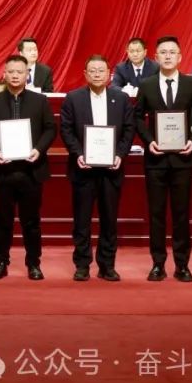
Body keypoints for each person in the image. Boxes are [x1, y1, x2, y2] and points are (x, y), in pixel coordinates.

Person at [0, 55, 57, 280]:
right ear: (4, 74)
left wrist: (39, 149)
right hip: (2, 170)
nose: (15, 76)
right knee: (3, 222)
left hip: (31, 171)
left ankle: (34, 263)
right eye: (11, 71)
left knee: (32, 222)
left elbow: (50, 128)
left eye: (19, 72)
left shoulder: (40, 101)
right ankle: (1, 262)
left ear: (27, 75)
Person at [134, 35, 192, 283]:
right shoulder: (146, 85)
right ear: (155, 57)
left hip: (182, 159)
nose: (167, 56)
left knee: (181, 213)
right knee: (156, 214)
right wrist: (148, 141)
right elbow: (137, 117)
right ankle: (158, 264)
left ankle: (182, 265)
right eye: (163, 52)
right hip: (155, 159)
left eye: (172, 52)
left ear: (180, 57)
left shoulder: (191, 83)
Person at [59, 55, 135, 282]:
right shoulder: (73, 98)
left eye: (101, 70)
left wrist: (120, 154)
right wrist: (78, 154)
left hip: (112, 169)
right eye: (92, 70)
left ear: (109, 74)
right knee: (81, 221)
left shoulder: (121, 98)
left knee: (109, 220)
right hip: (83, 168)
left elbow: (129, 129)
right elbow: (66, 129)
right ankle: (82, 265)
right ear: (85, 74)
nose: (97, 74)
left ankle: (107, 265)